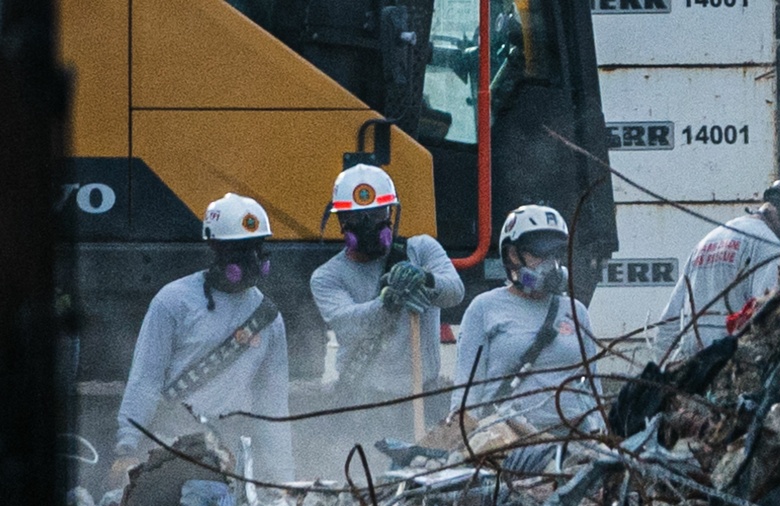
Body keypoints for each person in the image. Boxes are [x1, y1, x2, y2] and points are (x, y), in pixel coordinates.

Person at [111, 193, 294, 485]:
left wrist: (285, 479)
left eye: (257, 248)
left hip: (229, 453)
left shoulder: (268, 319)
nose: (253, 259)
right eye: (240, 249)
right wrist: (127, 448)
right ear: (216, 249)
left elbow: (273, 407)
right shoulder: (174, 302)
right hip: (172, 445)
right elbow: (145, 380)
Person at [309, 163, 464, 471]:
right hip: (368, 404)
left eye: (377, 215)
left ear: (391, 214)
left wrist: (426, 279)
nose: (368, 224)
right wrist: (387, 302)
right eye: (356, 218)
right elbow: (348, 325)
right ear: (340, 221)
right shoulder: (327, 277)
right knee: (372, 485)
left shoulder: (421, 249)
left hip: (424, 397)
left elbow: (455, 291)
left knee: (427, 486)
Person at [451, 205, 603, 435]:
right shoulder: (485, 308)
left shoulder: (575, 311)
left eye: (555, 255)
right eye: (539, 254)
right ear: (512, 254)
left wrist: (600, 431)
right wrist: (463, 438)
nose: (550, 264)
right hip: (508, 438)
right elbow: (466, 390)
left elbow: (593, 386)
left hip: (573, 436)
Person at [654, 178, 780, 362]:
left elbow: (668, 325)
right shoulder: (768, 245)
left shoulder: (712, 237)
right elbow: (767, 317)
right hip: (729, 368)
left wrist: (669, 372)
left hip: (694, 369)